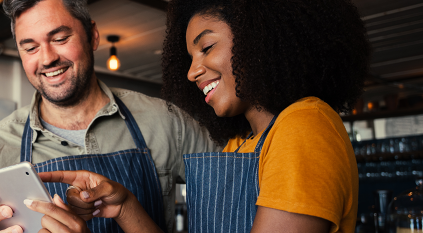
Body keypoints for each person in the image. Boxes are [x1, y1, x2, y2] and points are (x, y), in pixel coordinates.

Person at [44, 0, 370, 232]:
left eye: (207, 47)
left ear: (259, 37)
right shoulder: (239, 145)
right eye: (189, 57)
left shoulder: (303, 125)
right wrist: (125, 206)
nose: (192, 72)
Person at [0, 0, 218, 232]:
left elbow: (235, 207)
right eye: (30, 47)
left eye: (60, 38)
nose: (47, 58)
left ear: (92, 35)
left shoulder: (168, 123)